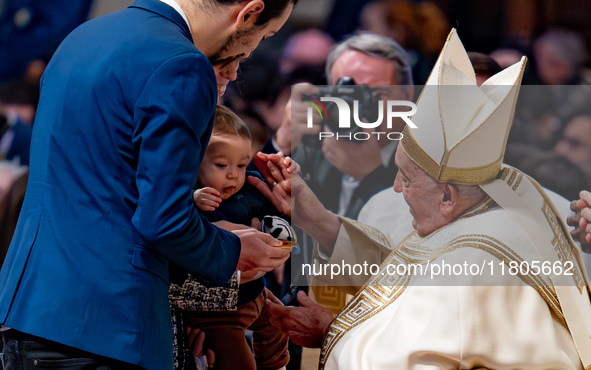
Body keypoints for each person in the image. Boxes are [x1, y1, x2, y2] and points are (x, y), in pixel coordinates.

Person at [251, 29, 591, 369]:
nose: (396, 187)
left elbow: (392, 361)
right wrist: (319, 222)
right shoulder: (511, 193)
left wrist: (332, 332)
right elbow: (408, 264)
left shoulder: (462, 272)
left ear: (447, 196)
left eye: (407, 178)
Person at [0, 0, 296, 368]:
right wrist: (233, 251)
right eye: (263, 36)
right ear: (247, 13)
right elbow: (165, 220)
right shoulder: (182, 64)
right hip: (110, 326)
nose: (245, 60)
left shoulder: (83, 36)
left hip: (27, 308)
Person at [170, 105, 290, 370]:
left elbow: (277, 213)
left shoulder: (249, 189)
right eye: (222, 165)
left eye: (241, 164)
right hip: (218, 309)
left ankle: (276, 365)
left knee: (280, 324)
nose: (233, 174)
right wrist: (192, 199)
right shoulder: (186, 197)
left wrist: (286, 189)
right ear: (194, 161)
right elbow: (171, 222)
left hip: (256, 291)